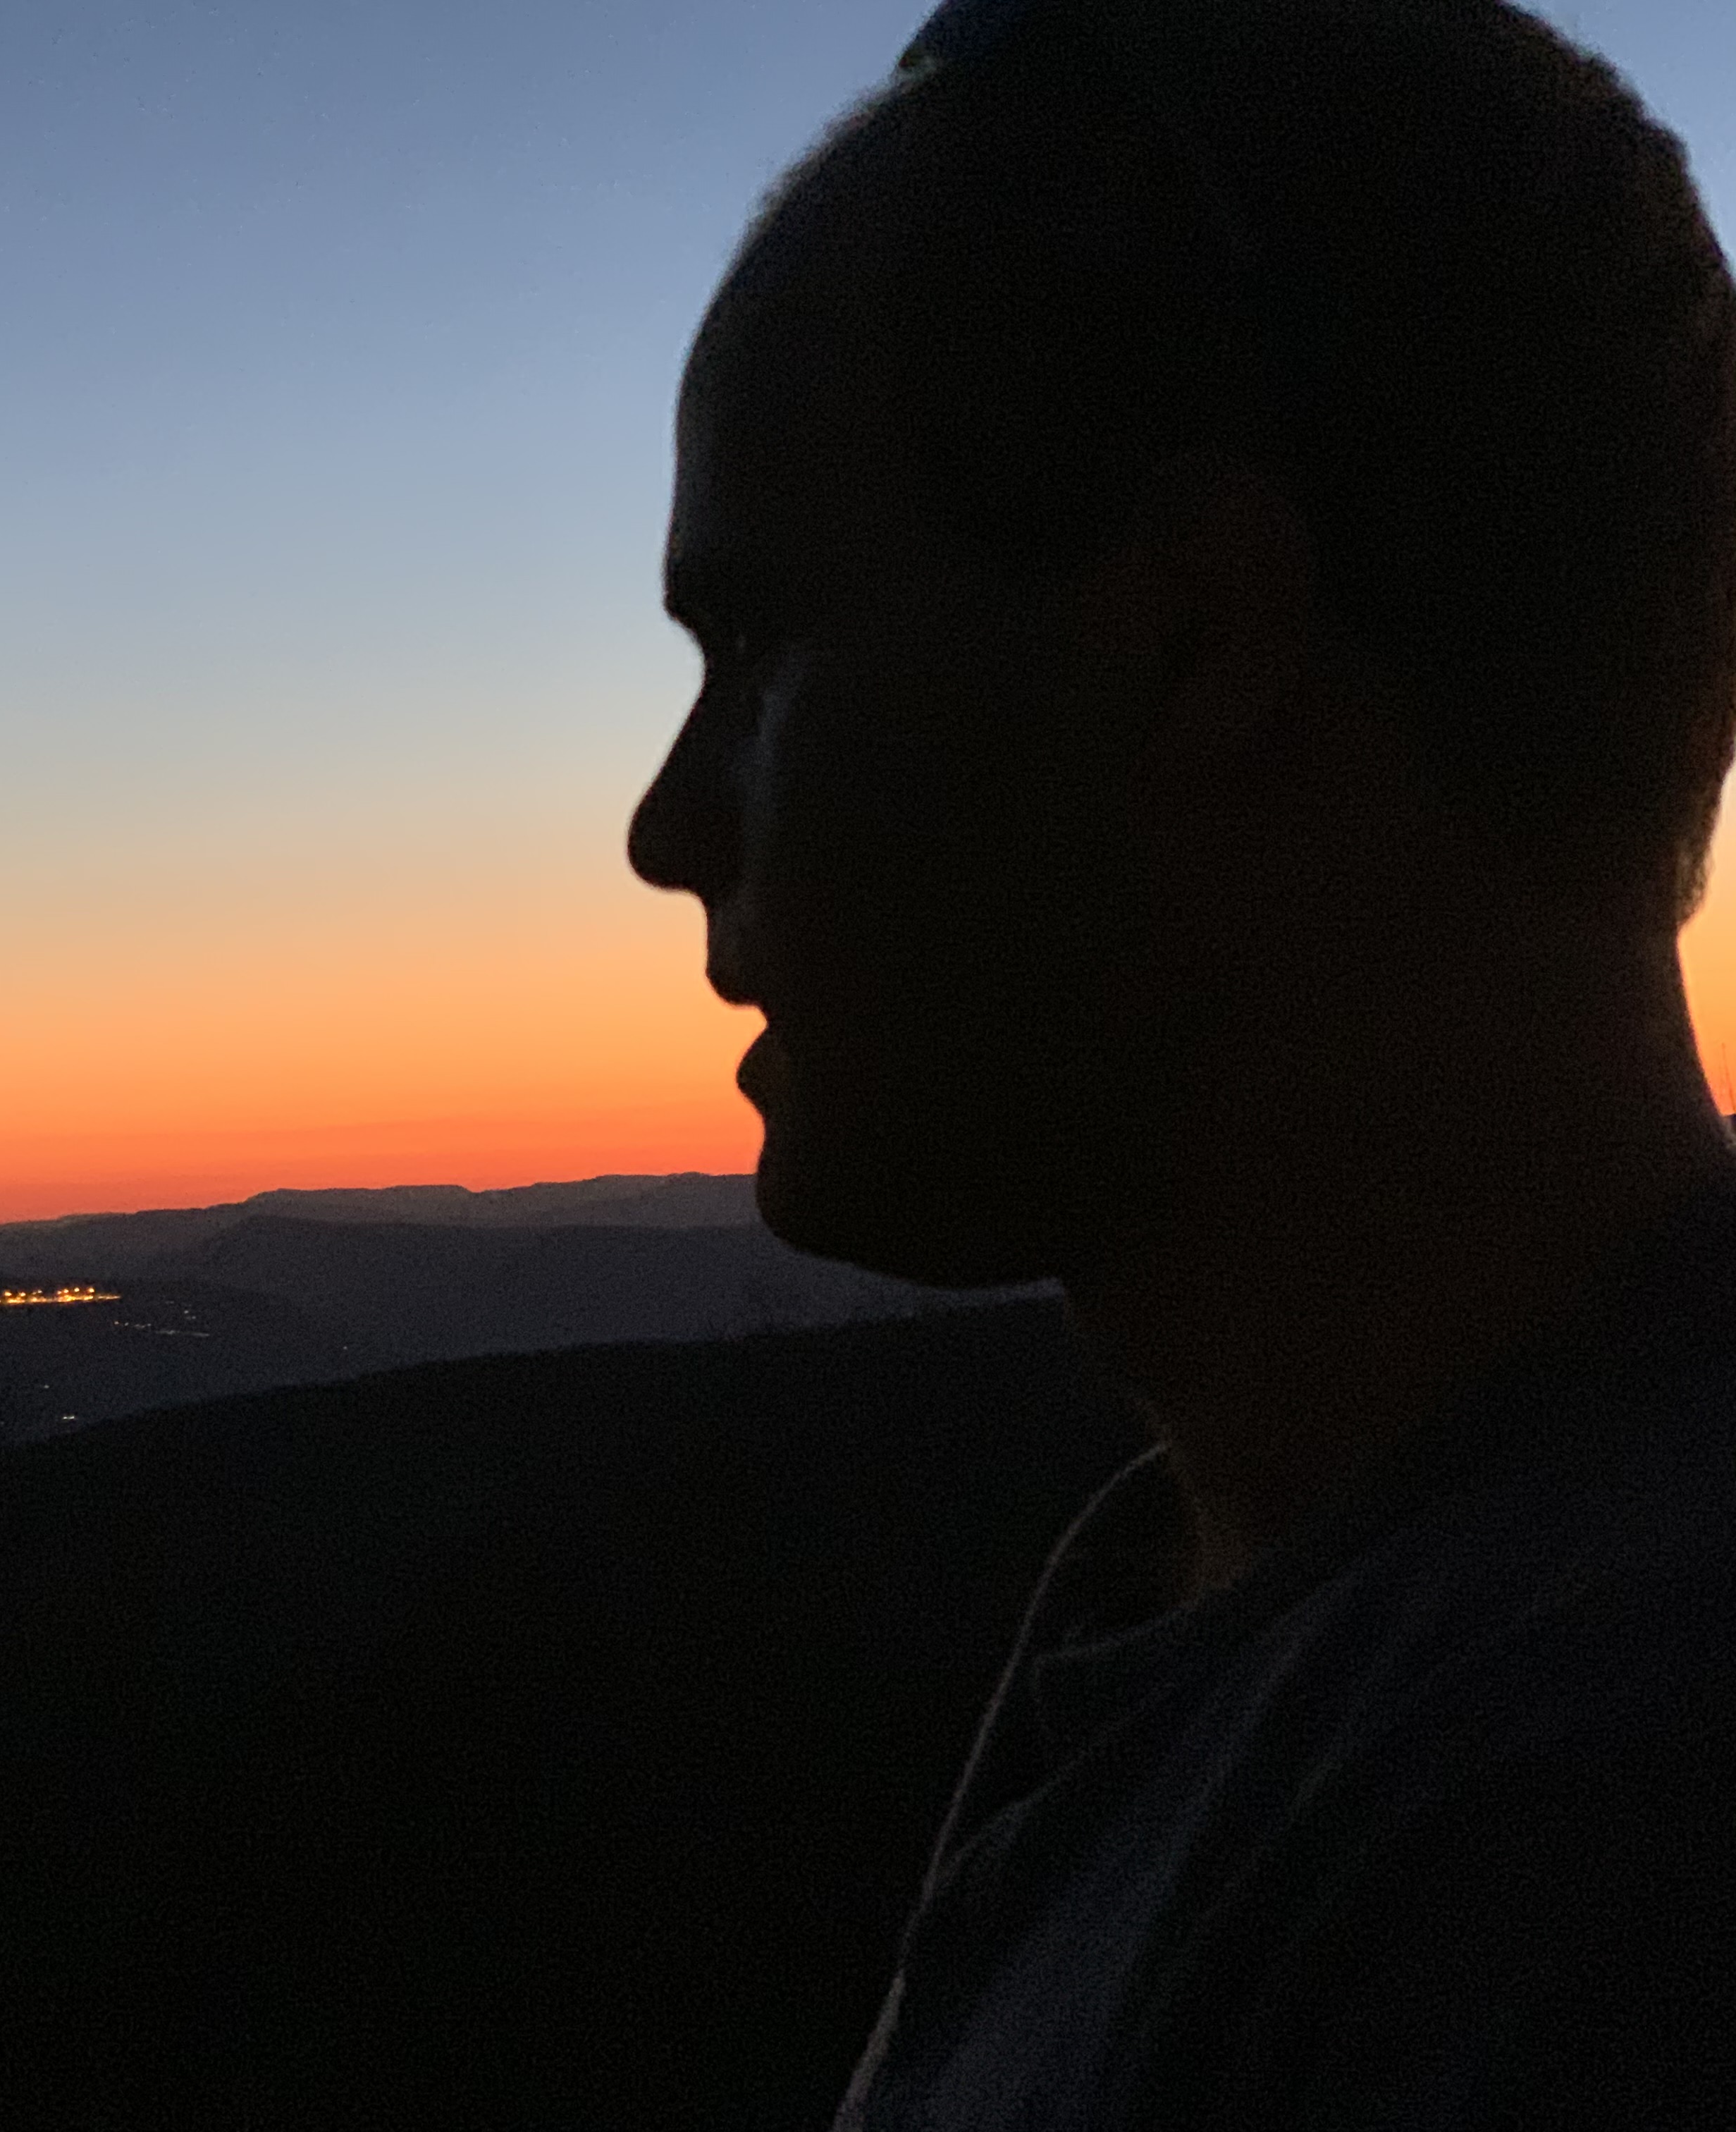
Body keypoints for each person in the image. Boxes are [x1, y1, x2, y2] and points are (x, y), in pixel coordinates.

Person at [627, 0, 1736, 2121]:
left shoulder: (1606, 1871)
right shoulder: (1288, 1601)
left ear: (1193, 636)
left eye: (760, 642)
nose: (669, 827)